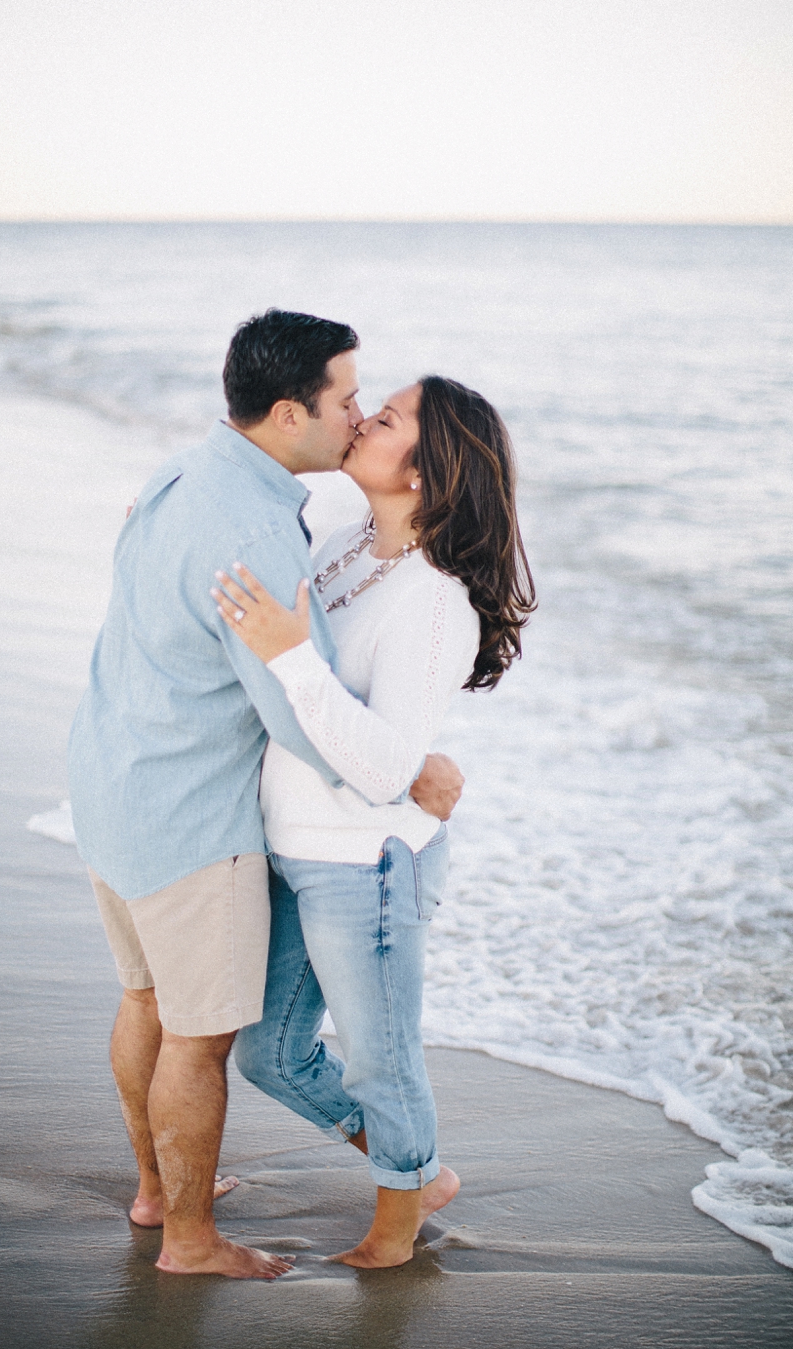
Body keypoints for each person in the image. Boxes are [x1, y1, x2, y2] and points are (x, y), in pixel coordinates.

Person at [67, 311, 463, 1279]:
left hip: (117, 786)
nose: (360, 415)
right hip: (194, 818)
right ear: (290, 413)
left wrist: (398, 757)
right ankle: (190, 1239)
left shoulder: (188, 474)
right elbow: (291, 713)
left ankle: (171, 1192)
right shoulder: (272, 528)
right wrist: (413, 766)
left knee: (153, 1003)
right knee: (202, 1044)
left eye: (379, 409)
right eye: (348, 399)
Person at [213, 375, 535, 1267]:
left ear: (426, 473)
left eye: (385, 418)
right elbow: (251, 494)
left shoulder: (434, 603)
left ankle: (396, 1234)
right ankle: (415, 1165)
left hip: (369, 862)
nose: (361, 419)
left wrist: (291, 657)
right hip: (294, 845)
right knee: (270, 1056)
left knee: (381, 1059)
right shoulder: (351, 539)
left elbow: (389, 762)